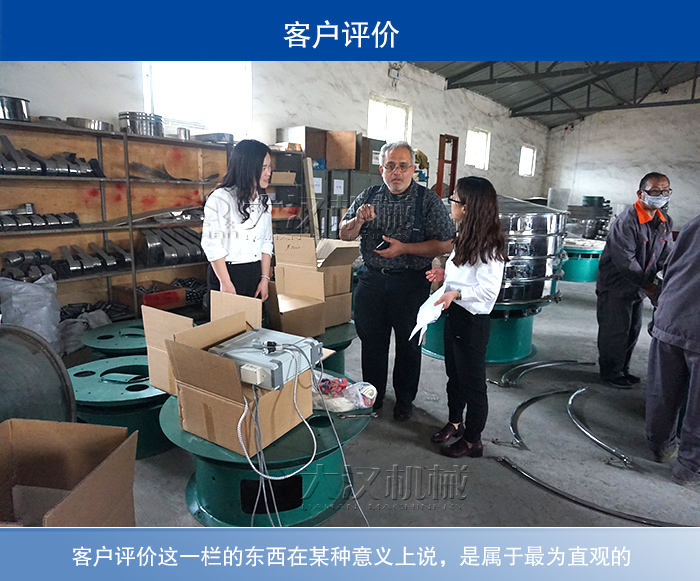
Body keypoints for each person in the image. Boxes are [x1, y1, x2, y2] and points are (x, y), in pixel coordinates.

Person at [339, 141, 454, 421]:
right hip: (371, 283)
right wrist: (358, 221)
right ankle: (373, 398)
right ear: (382, 169)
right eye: (390, 166)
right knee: (372, 346)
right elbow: (344, 233)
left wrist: (404, 249)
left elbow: (446, 244)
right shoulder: (368, 196)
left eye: (403, 166)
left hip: (411, 285)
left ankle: (404, 401)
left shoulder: (428, 201)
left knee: (409, 346)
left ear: (413, 169)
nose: (396, 172)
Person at [425, 177, 507, 458]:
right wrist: (445, 275)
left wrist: (456, 293)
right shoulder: (465, 236)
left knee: (473, 385)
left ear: (467, 207)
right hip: (456, 315)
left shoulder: (490, 246)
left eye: (455, 199)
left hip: (473, 322)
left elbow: (488, 290)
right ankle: (455, 422)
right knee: (455, 376)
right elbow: (465, 273)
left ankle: (473, 441)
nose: (451, 203)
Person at [595, 172, 674, 388]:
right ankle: (611, 372)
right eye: (655, 191)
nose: (661, 196)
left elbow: (667, 255)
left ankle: (623, 369)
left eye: (665, 191)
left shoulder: (664, 221)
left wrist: (663, 282)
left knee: (632, 329)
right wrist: (649, 286)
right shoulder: (627, 221)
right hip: (616, 285)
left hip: (639, 287)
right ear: (641, 194)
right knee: (615, 330)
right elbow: (625, 260)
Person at [646, 214, 700, 487]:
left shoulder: (695, 223)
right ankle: (689, 468)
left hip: (671, 313)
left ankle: (660, 446)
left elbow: (669, 265)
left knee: (663, 390)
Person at [201, 139, 273, 303]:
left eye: (269, 167)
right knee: (228, 320)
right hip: (228, 273)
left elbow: (266, 242)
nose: (268, 173)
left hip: (255, 272)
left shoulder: (264, 201)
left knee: (255, 320)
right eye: (263, 168)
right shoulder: (221, 198)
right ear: (247, 167)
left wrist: (265, 278)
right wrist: (225, 282)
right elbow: (211, 244)